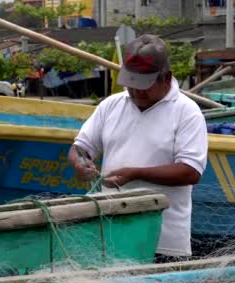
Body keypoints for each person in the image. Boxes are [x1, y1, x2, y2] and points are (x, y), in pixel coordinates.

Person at [68, 34, 208, 262]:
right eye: (132, 86)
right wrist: (80, 163)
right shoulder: (110, 105)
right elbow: (81, 147)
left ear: (167, 78)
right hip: (111, 234)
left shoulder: (186, 112)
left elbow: (191, 171)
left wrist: (137, 173)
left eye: (144, 87)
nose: (136, 93)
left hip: (163, 242)